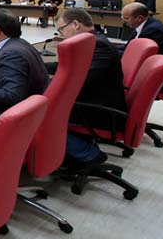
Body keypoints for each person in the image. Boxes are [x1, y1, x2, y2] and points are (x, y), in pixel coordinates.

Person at [47, 9, 125, 167]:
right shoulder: (91, 41)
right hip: (93, 101)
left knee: (39, 116)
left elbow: (80, 82)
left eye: (62, 29)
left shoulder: (98, 45)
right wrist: (38, 66)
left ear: (75, 24)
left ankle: (90, 154)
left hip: (99, 111)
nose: (61, 35)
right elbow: (67, 67)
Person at [121, 2, 163, 96]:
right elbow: (128, 48)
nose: (123, 21)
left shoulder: (154, 30)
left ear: (139, 18)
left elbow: (137, 57)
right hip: (144, 69)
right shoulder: (142, 27)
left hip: (160, 78)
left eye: (126, 18)